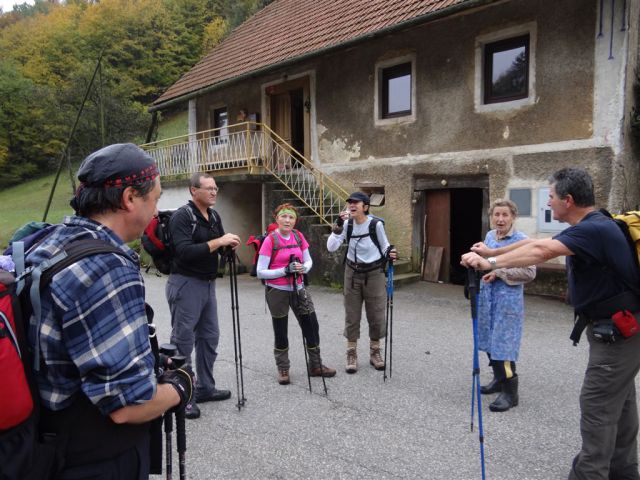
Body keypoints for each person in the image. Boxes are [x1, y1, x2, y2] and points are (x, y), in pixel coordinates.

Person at [462, 168, 640, 479]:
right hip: (617, 328)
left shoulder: (593, 230)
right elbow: (536, 241)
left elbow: (541, 251)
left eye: (552, 198)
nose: (549, 204)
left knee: (597, 404)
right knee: (620, 402)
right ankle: (623, 470)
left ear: (568, 200)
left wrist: (489, 262)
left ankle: (590, 473)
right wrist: (493, 250)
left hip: (618, 335)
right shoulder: (594, 224)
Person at [25, 143, 189, 478]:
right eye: (155, 200)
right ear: (130, 198)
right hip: (95, 458)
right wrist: (180, 387)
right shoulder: (106, 268)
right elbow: (127, 406)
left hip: (46, 442)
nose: (156, 212)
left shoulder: (50, 243)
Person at [166, 172, 241, 419]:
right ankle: (183, 395)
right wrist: (219, 241)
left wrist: (227, 246)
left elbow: (216, 246)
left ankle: (205, 388)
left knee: (209, 337)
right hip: (186, 283)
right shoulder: (182, 217)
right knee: (183, 340)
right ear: (193, 190)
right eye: (208, 188)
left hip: (208, 284)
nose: (213, 192)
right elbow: (184, 251)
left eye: (215, 188)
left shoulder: (213, 216)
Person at [256, 203, 336, 384]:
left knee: (311, 326)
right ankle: (283, 369)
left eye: (291, 217)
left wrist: (302, 268)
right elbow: (260, 271)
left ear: (295, 221)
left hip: (299, 287)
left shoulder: (298, 236)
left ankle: (316, 365)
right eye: (283, 216)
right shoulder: (270, 240)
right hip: (277, 290)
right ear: (276, 219)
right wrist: (285, 270)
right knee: (281, 330)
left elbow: (308, 260)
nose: (287, 220)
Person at [473, 199, 536, 413]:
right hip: (488, 297)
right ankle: (498, 379)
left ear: (513, 217)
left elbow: (529, 272)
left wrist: (499, 272)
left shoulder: (522, 240)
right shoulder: (490, 237)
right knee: (490, 341)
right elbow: (485, 262)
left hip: (507, 300)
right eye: (496, 215)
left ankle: (511, 392)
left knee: (504, 345)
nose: (500, 219)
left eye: (505, 215)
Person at [326, 192, 397, 374]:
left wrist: (391, 252)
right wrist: (338, 225)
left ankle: (375, 351)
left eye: (355, 202)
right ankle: (351, 353)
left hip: (374, 273)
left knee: (376, 314)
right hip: (352, 273)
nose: (351, 205)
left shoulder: (376, 224)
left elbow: (384, 246)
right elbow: (331, 247)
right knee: (352, 314)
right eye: (349, 202)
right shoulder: (347, 224)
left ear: (365, 206)